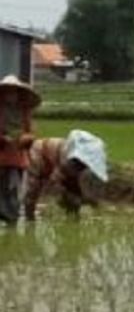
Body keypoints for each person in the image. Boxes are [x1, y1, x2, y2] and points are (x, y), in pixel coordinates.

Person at [24, 130, 109, 220]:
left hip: (55, 160)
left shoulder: (81, 162)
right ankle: (29, 216)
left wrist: (87, 198)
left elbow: (75, 182)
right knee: (33, 188)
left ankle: (72, 214)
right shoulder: (69, 159)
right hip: (39, 155)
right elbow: (55, 180)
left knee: (73, 192)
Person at [0, 75, 39, 226]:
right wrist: (3, 138)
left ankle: (11, 217)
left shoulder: (24, 112)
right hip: (2, 153)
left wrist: (26, 138)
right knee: (3, 186)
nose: (12, 95)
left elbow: (31, 132)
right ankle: (7, 214)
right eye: (8, 92)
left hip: (18, 155)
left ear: (19, 94)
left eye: (14, 92)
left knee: (14, 187)